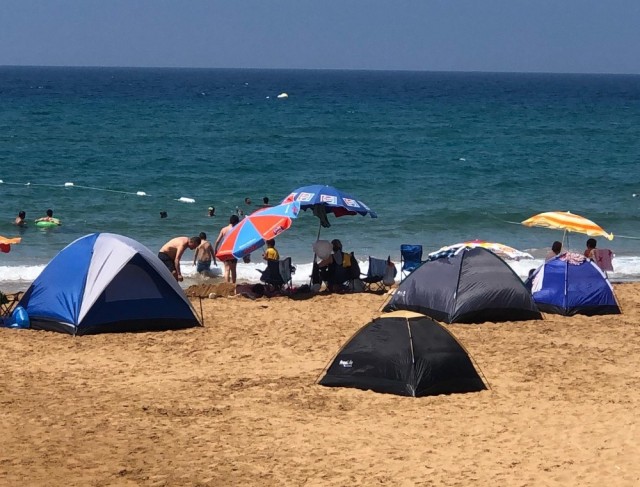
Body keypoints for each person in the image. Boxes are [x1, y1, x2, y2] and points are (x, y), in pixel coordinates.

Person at [214, 215, 240, 283]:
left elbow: (217, 241)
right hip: (233, 251)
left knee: (227, 269)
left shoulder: (224, 229)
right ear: (236, 222)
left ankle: (227, 285)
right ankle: (233, 284)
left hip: (224, 251)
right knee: (233, 269)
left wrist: (215, 250)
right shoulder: (237, 229)